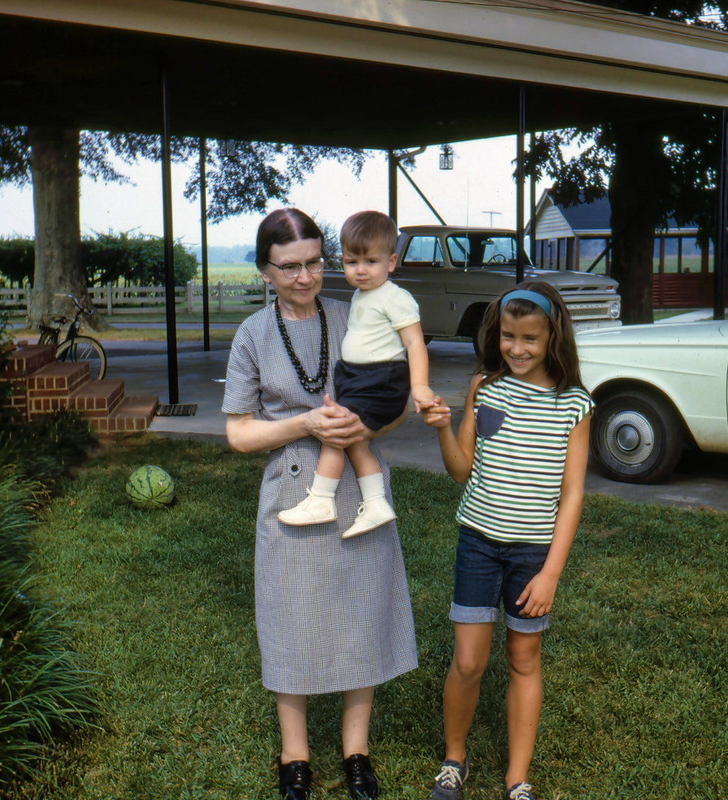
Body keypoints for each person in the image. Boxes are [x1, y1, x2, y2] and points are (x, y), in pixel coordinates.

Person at [222, 208, 418, 800]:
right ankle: (295, 755)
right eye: (289, 268)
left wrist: (363, 426)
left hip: (359, 491)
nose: (305, 278)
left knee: (361, 612)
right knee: (292, 618)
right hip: (291, 491)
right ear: (264, 271)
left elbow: (396, 398)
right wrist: (307, 422)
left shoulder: (357, 310)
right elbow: (238, 433)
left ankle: (357, 751)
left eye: (314, 263)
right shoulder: (252, 335)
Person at [421, 281, 592, 800]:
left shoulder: (574, 404)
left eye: (530, 339)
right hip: (478, 544)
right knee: (469, 661)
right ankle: (455, 760)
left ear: (552, 339)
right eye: (508, 337)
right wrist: (444, 428)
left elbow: (573, 495)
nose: (516, 349)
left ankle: (518, 779)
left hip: (532, 556)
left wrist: (551, 573)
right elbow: (460, 471)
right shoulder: (484, 388)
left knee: (524, 659)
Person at [278, 210, 435, 538]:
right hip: (358, 378)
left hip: (381, 380)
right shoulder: (364, 295)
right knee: (355, 441)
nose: (360, 270)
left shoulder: (396, 298)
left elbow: (415, 344)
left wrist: (419, 386)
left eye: (370, 262)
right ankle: (376, 503)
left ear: (391, 262)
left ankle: (321, 500)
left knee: (337, 433)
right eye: (351, 262)